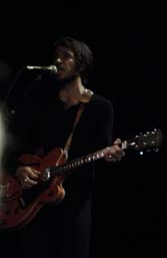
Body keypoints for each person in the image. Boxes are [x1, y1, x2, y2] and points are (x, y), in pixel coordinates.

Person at [5, 36, 124, 258]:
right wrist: (18, 169)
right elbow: (13, 145)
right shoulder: (41, 102)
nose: (58, 61)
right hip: (32, 200)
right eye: (56, 56)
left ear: (82, 63)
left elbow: (103, 151)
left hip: (75, 203)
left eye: (66, 56)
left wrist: (112, 154)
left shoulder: (100, 107)